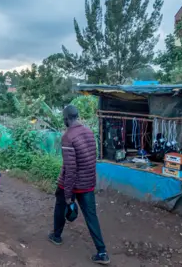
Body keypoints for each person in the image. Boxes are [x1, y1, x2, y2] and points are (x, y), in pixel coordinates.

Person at [48, 105, 110, 265]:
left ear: (66, 119)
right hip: (88, 182)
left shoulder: (68, 137)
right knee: (91, 216)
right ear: (77, 116)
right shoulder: (89, 132)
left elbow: (70, 169)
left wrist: (69, 195)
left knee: (61, 205)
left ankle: (56, 236)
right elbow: (91, 158)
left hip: (72, 182)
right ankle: (102, 252)